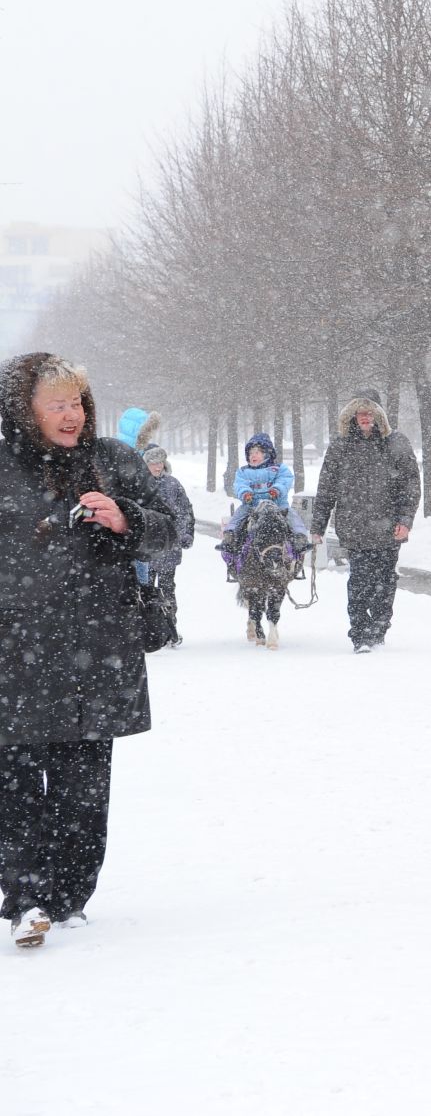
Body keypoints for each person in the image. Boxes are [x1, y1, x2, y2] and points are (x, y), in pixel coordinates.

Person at [0, 353, 177, 948]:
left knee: (83, 786)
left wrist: (127, 520)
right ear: (24, 411)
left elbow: (172, 526)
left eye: (77, 402)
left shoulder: (112, 461)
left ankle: (69, 898)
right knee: (15, 782)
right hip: (14, 652)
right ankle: (26, 899)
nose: (72, 415)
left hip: (95, 651)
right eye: (57, 405)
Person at [309, 390, 420, 653]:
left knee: (385, 581)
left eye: (369, 412)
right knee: (359, 581)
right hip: (355, 527)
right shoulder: (340, 446)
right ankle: (360, 633)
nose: (365, 417)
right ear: (352, 416)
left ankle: (379, 627)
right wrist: (318, 526)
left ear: (378, 415)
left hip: (389, 528)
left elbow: (411, 485)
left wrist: (405, 520)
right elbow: (326, 488)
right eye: (360, 413)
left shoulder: (397, 444)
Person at [216, 433, 310, 568]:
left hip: (277, 506)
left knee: (291, 515)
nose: (252, 456)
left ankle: (300, 537)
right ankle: (230, 536)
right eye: (250, 453)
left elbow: (285, 480)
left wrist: (276, 489)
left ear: (267, 454)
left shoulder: (279, 468)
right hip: (251, 506)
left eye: (257, 452)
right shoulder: (243, 471)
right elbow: (239, 485)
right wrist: (245, 493)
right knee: (238, 516)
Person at [138, 446, 195, 648]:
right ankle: (148, 629)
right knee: (144, 591)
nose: (157, 466)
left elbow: (184, 512)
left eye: (160, 462)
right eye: (152, 462)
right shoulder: (138, 484)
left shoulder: (173, 485)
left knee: (167, 589)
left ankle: (170, 628)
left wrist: (183, 534)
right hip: (144, 549)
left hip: (168, 549)